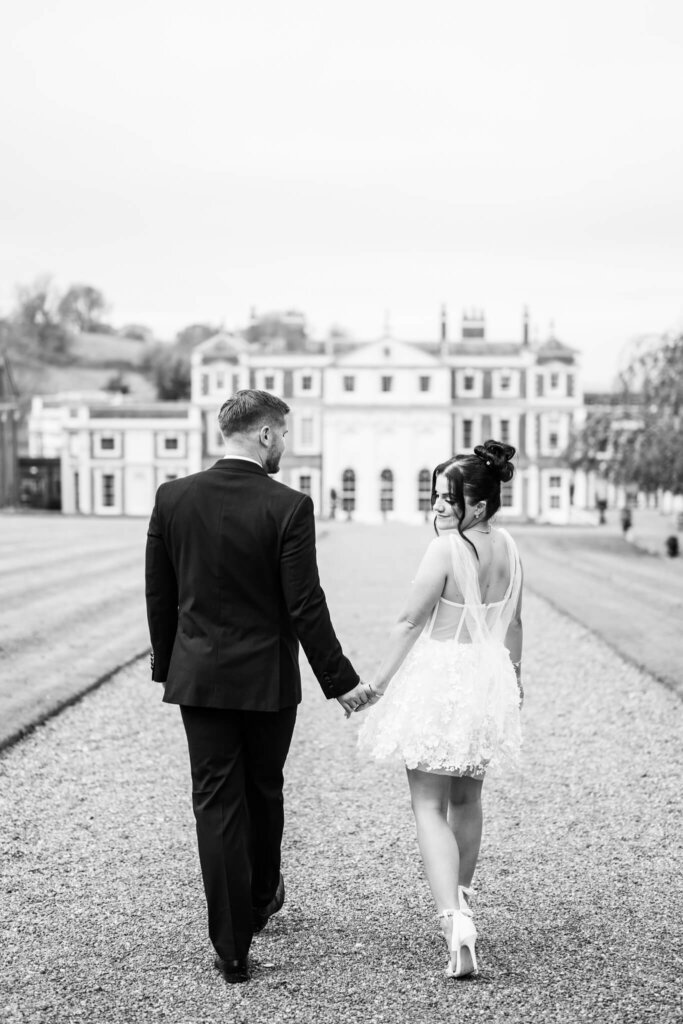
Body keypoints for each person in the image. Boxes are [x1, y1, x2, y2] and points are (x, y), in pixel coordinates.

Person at [145, 390, 369, 984]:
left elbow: (159, 593)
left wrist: (169, 666)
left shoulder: (173, 498)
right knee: (264, 790)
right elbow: (305, 604)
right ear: (266, 434)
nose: (286, 446)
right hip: (268, 681)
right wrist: (339, 680)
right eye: (285, 434)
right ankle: (262, 895)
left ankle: (231, 947)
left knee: (216, 803)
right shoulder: (289, 506)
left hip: (199, 679)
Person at [356, 440, 524, 979]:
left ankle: (454, 921)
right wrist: (511, 688)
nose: (438, 508)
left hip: (440, 676)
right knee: (468, 798)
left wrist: (377, 685)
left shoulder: (446, 550)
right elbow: (515, 626)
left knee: (428, 804)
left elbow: (410, 621)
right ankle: (464, 904)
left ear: (477, 504)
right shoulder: (512, 548)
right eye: (434, 498)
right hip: (487, 676)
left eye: (447, 499)